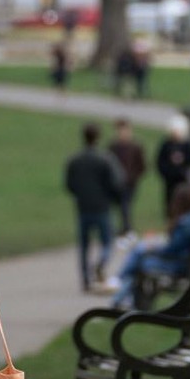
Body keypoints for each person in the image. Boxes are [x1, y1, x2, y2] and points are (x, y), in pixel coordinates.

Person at [109, 182, 190, 310]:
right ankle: (123, 296)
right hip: (188, 264)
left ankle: (120, 291)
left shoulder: (186, 222)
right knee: (141, 255)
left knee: (140, 258)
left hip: (178, 266)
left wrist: (153, 248)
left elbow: (171, 250)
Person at [64, 122, 125, 292]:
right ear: (98, 137)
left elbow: (69, 184)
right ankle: (100, 264)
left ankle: (85, 280)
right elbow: (117, 182)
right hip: (102, 207)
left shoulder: (75, 160)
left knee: (84, 245)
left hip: (83, 207)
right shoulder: (105, 159)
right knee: (107, 242)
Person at [106, 117, 146, 241]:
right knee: (115, 207)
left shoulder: (136, 147)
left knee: (125, 206)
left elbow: (142, 166)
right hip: (115, 183)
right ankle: (116, 230)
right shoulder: (113, 147)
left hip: (129, 183)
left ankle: (127, 229)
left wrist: (133, 178)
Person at [156, 114, 190, 220]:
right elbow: (160, 162)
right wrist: (167, 173)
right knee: (170, 201)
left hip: (183, 180)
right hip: (170, 181)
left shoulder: (187, 145)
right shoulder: (166, 145)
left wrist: (183, 172)